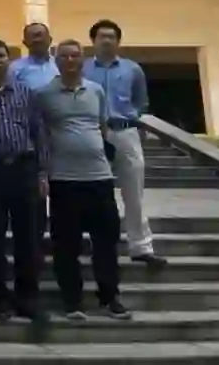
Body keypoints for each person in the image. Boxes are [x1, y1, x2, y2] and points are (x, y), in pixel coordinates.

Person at [37, 40, 131, 321]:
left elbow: (102, 127)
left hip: (99, 177)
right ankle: (72, 301)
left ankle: (110, 297)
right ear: (56, 61)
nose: (70, 60)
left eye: (75, 56)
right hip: (63, 179)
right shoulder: (44, 95)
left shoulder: (96, 90)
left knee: (106, 241)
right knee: (66, 244)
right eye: (64, 56)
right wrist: (43, 172)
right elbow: (41, 136)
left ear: (82, 59)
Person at [0, 38, 47, 322]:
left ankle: (28, 297)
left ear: (9, 60)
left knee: (28, 238)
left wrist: (42, 172)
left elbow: (39, 134)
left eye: (2, 55)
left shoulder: (27, 93)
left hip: (24, 169)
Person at [83, 19, 166, 268]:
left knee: (134, 193)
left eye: (112, 36)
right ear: (93, 41)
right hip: (92, 134)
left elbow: (141, 102)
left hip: (125, 132)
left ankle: (141, 247)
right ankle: (97, 245)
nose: (107, 41)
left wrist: (136, 125)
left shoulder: (133, 69)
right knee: (94, 193)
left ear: (118, 41)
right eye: (102, 36)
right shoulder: (83, 68)